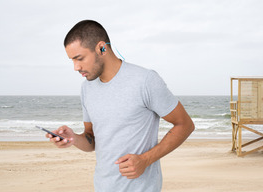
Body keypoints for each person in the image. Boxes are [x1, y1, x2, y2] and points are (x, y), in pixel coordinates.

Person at [47, 20, 194, 192]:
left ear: (102, 48)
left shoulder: (145, 81)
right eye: (72, 60)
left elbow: (185, 125)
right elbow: (92, 140)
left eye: (79, 58)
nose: (76, 67)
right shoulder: (87, 88)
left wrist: (145, 160)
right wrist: (73, 139)